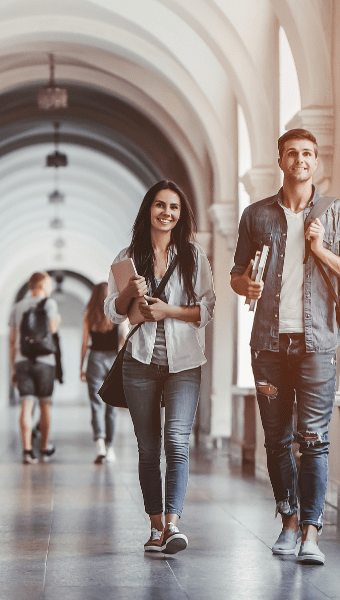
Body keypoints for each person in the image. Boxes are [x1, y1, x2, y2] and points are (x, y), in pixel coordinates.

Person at [230, 129, 340, 565]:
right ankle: (288, 522)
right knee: (276, 439)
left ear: (316, 161)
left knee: (314, 440)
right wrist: (245, 284)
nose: (301, 159)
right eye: (292, 153)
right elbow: (236, 274)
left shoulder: (338, 213)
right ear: (281, 160)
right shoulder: (256, 216)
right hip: (268, 346)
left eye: (308, 153)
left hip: (317, 345)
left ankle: (311, 532)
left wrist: (321, 250)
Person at [104, 180, 215, 554]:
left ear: (180, 215)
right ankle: (154, 526)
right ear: (148, 210)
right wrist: (128, 293)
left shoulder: (194, 256)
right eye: (159, 205)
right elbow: (112, 313)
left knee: (177, 441)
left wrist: (169, 311)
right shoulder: (128, 256)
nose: (166, 213)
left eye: (174, 207)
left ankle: (173, 525)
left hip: (184, 363)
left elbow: (207, 309)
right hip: (140, 362)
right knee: (148, 448)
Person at [10, 272, 61, 464]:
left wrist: (12, 368)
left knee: (25, 406)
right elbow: (53, 330)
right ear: (42, 285)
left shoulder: (17, 307)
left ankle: (27, 451)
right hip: (45, 361)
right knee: (45, 405)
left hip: (22, 360)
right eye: (48, 284)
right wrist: (58, 321)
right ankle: (45, 448)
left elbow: (12, 340)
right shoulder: (50, 304)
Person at [80, 282, 125, 464]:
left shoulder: (89, 315)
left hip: (94, 360)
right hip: (113, 360)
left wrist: (81, 367)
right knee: (111, 407)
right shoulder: (118, 314)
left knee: (96, 404)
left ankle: (99, 443)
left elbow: (84, 344)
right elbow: (125, 339)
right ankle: (110, 447)